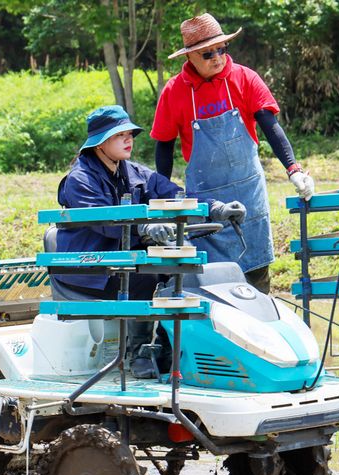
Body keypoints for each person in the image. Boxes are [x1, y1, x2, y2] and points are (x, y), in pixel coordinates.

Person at [55, 105, 244, 377]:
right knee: (151, 271)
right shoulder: (80, 180)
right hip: (91, 269)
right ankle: (137, 353)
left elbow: (175, 196)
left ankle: (167, 349)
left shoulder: (133, 172)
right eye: (120, 134)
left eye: (130, 133)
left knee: (184, 265)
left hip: (124, 260)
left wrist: (214, 208)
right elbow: (104, 223)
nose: (129, 139)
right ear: (99, 144)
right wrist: (144, 229)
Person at [151, 12, 315, 293]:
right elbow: (164, 146)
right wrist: (161, 200)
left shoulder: (244, 78)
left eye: (221, 49)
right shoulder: (175, 92)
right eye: (207, 54)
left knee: (256, 277)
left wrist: (294, 169)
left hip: (248, 195)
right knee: (211, 280)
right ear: (189, 57)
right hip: (205, 200)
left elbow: (270, 126)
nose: (217, 57)